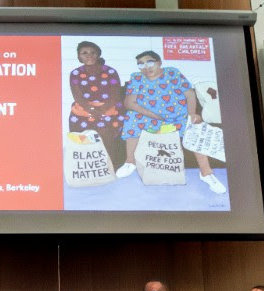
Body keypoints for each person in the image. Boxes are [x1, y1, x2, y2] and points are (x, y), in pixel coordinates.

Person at [115, 50, 226, 195]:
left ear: (159, 62)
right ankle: (130, 162)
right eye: (140, 64)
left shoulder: (172, 73)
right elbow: (129, 103)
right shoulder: (136, 77)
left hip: (177, 118)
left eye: (149, 62)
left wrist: (192, 113)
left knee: (196, 130)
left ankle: (206, 174)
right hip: (149, 118)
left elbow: (190, 94)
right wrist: (154, 115)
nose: (145, 67)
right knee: (132, 117)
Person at [68, 41, 125, 168]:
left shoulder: (110, 71)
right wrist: (92, 110)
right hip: (85, 109)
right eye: (84, 53)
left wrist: (103, 110)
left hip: (109, 107)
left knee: (107, 131)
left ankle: (111, 166)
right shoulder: (75, 73)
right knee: (81, 131)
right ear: (79, 57)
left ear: (98, 54)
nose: (89, 55)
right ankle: (87, 167)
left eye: (93, 52)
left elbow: (115, 94)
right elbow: (77, 96)